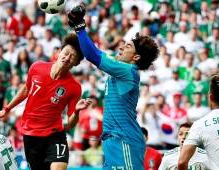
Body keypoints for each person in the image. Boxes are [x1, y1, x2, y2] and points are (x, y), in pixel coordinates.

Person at [68, 4, 159, 169]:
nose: (122, 47)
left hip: (124, 140)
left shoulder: (128, 70)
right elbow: (94, 52)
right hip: (112, 140)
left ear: (136, 57)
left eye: (128, 46)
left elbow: (93, 55)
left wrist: (80, 27)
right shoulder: (123, 70)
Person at [0, 33, 92, 170]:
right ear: (59, 51)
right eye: (66, 52)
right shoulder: (37, 67)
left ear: (76, 63)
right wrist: (6, 109)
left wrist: (77, 111)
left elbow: (71, 123)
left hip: (55, 134)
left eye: (72, 56)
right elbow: (26, 89)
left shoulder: (74, 87)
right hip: (31, 135)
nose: (67, 57)